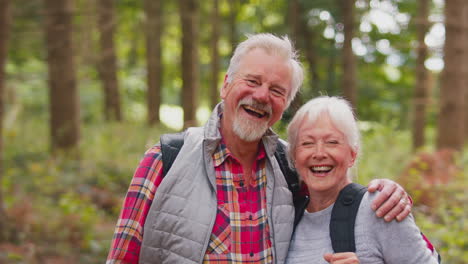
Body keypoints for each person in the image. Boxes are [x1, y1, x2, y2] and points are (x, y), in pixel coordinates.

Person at [106, 34, 413, 264]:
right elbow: (122, 257)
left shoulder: (292, 167)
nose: (262, 95)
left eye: (277, 90)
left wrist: (389, 193)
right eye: (252, 81)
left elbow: (342, 200)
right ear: (226, 84)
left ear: (285, 105)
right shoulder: (165, 160)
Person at [285, 96, 439, 264]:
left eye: (332, 142)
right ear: (294, 156)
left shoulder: (380, 206)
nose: (319, 153)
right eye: (307, 143)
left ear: (352, 154)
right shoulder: (286, 217)